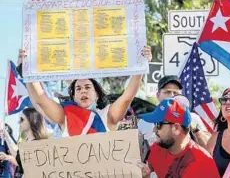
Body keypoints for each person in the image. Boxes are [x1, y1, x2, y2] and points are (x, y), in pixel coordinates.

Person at [18, 47, 152, 136]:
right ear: (73, 96)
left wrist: (142, 64)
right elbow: (41, 99)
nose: (83, 92)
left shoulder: (107, 116)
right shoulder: (64, 116)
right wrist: (26, 70)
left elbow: (127, 96)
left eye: (88, 87)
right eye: (78, 89)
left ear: (97, 94)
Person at [139, 98, 220, 178]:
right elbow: (145, 170)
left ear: (176, 129)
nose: (154, 130)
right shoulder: (158, 148)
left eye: (158, 125)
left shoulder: (200, 163)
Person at [138, 75, 210, 147]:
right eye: (167, 92)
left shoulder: (193, 117)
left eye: (176, 93)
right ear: (158, 95)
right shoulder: (144, 122)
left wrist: (192, 127)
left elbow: (208, 148)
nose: (172, 96)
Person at [6, 108, 49, 178]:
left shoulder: (36, 145)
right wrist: (6, 136)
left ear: (32, 120)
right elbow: (18, 158)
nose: (18, 122)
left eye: (21, 119)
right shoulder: (28, 143)